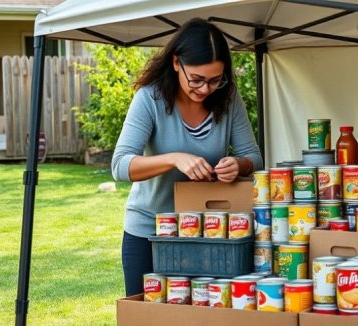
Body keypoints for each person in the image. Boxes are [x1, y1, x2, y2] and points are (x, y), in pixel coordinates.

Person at [111, 18, 263, 296]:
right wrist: (174, 158)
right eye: (196, 80)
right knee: (144, 322)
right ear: (176, 63)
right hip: (150, 233)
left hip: (210, 231)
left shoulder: (228, 99)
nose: (205, 89)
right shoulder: (150, 99)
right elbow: (120, 166)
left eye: (215, 80)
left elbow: (254, 157)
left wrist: (238, 165)